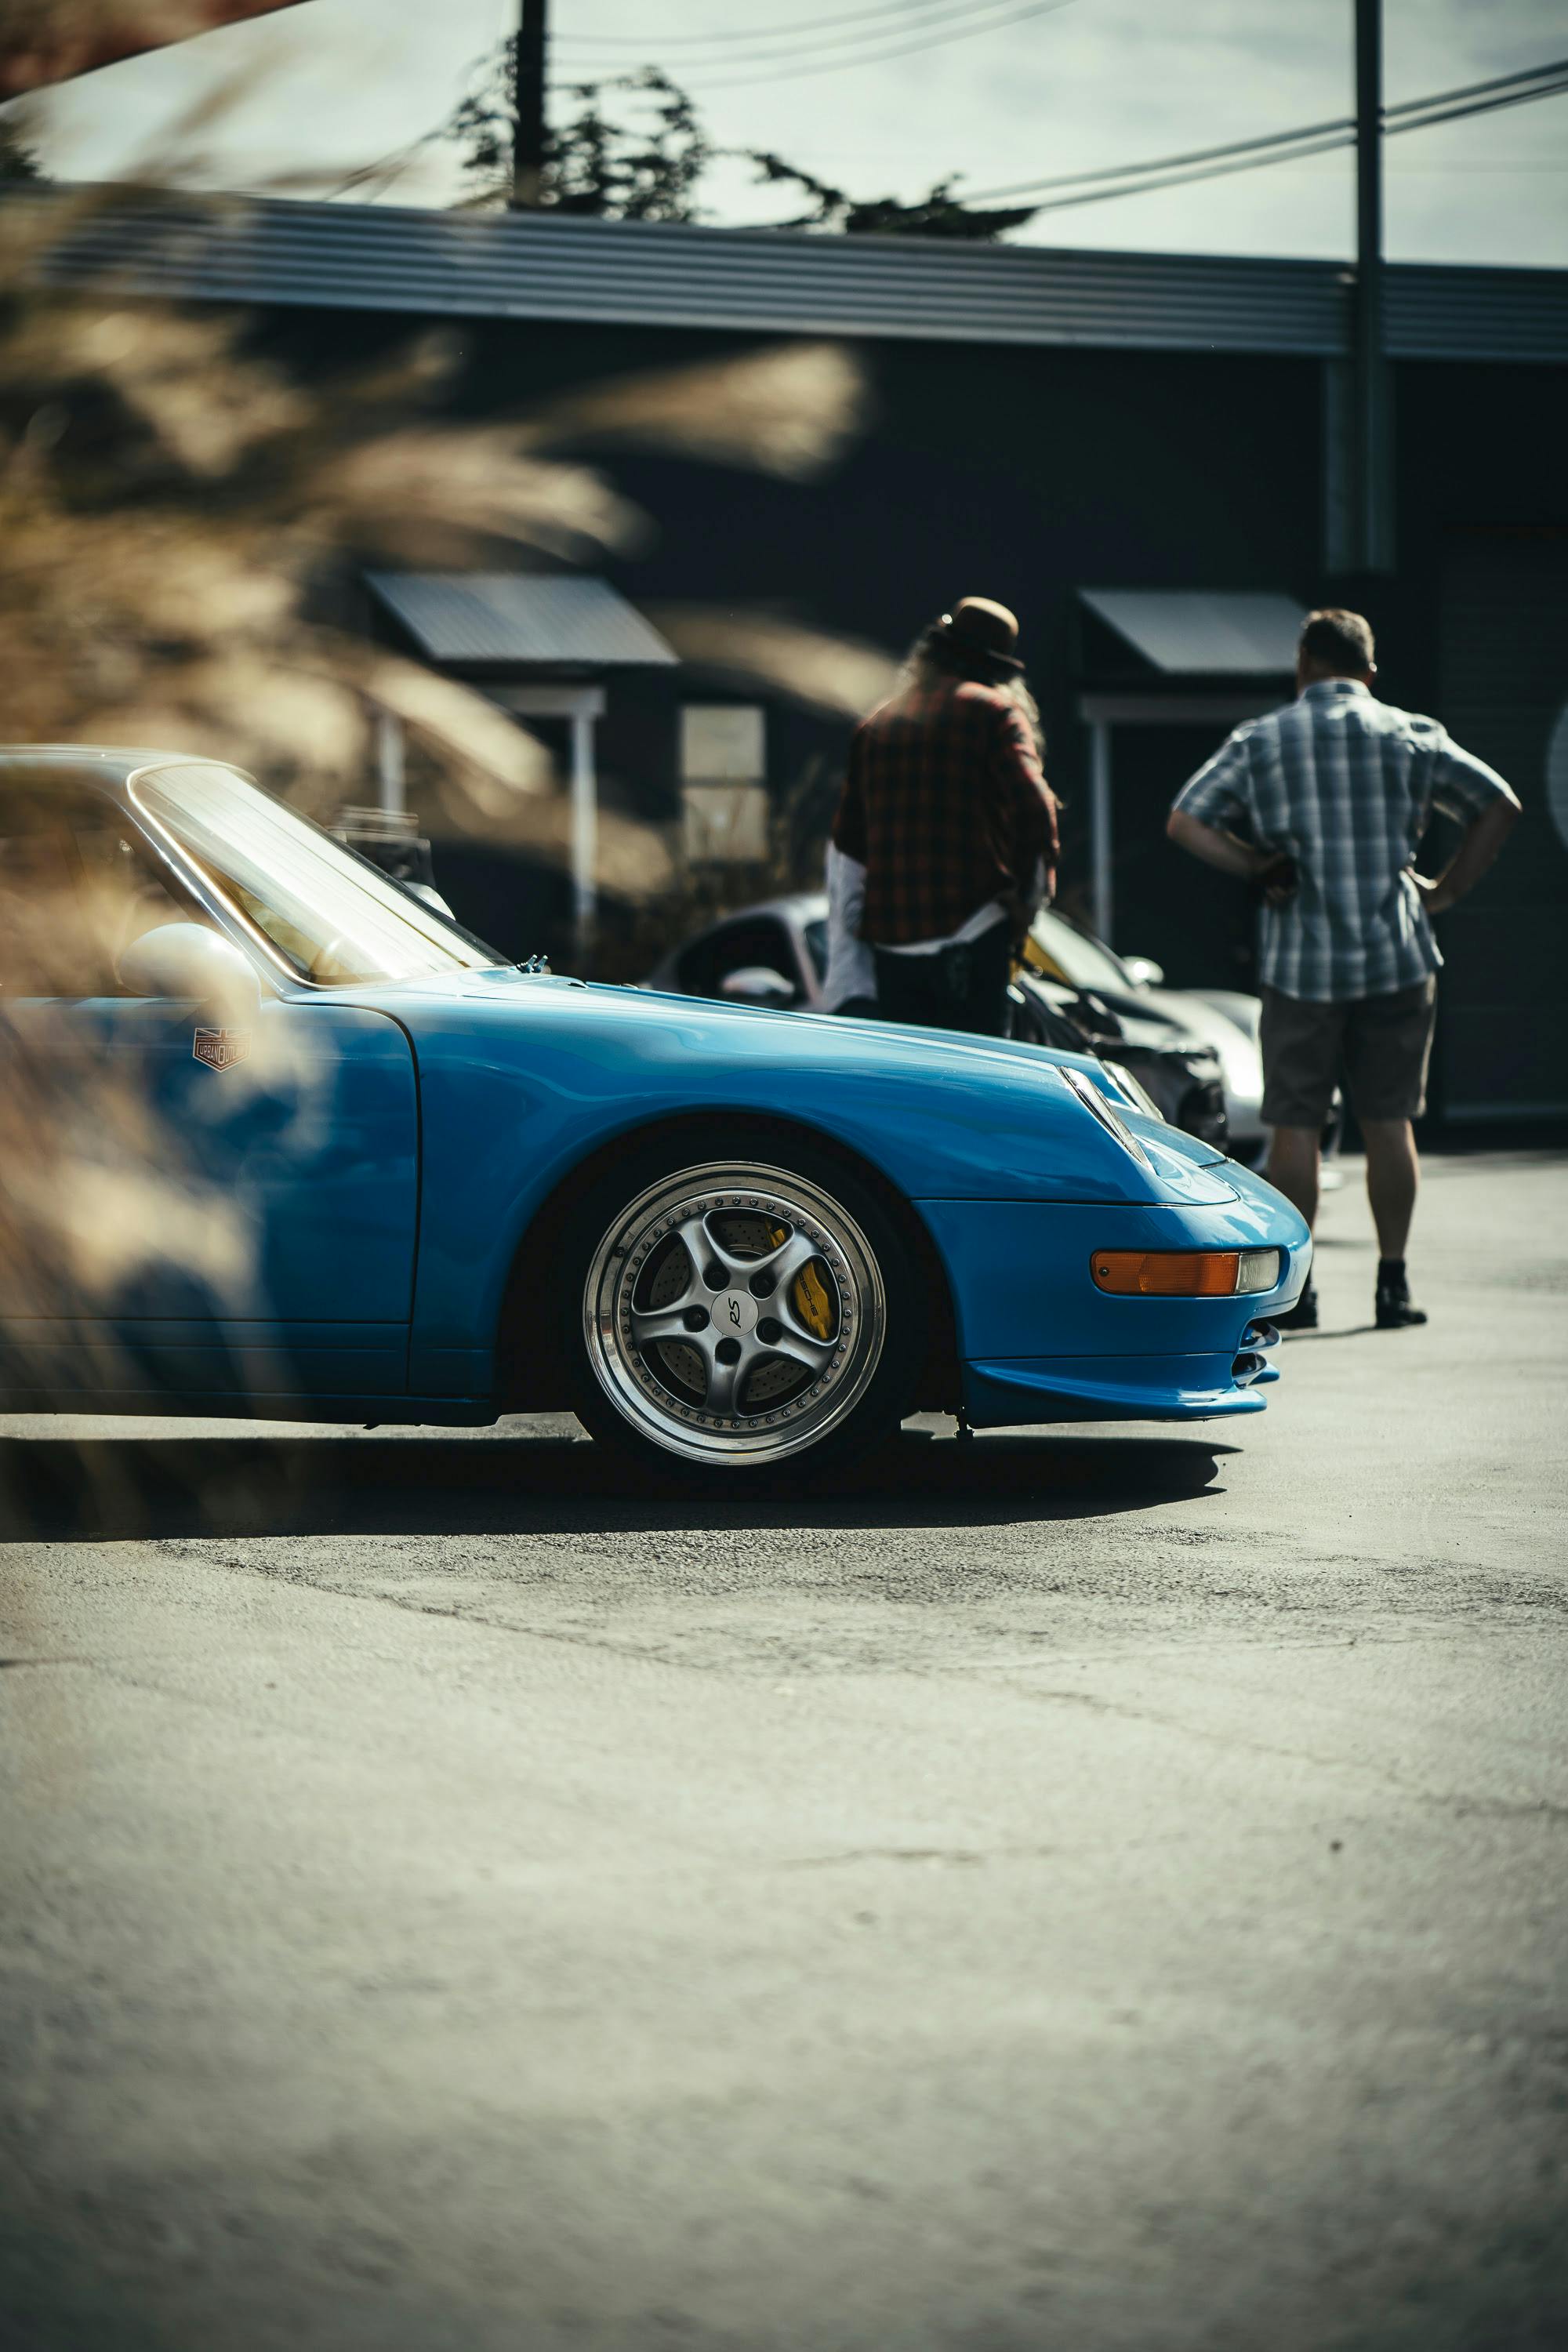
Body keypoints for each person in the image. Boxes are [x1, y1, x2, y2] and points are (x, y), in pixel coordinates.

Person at [1167, 607, 1519, 1330]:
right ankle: (1393, 1286)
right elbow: (1499, 804)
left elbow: (1186, 819)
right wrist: (1443, 891)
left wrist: (1254, 862)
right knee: (1391, 1124)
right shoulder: (1413, 735)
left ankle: (1300, 1293)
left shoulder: (1262, 740)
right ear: (1370, 670)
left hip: (1301, 963)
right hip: (1397, 955)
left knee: (1296, 1129)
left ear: (1303, 666)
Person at [829, 597, 1058, 1038]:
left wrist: (857, 931)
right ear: (997, 668)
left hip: (894, 947)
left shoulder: (876, 725)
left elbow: (849, 847)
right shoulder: (995, 712)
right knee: (981, 1079)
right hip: (972, 936)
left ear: (933, 650)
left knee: (914, 1086)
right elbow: (1036, 808)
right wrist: (1027, 904)